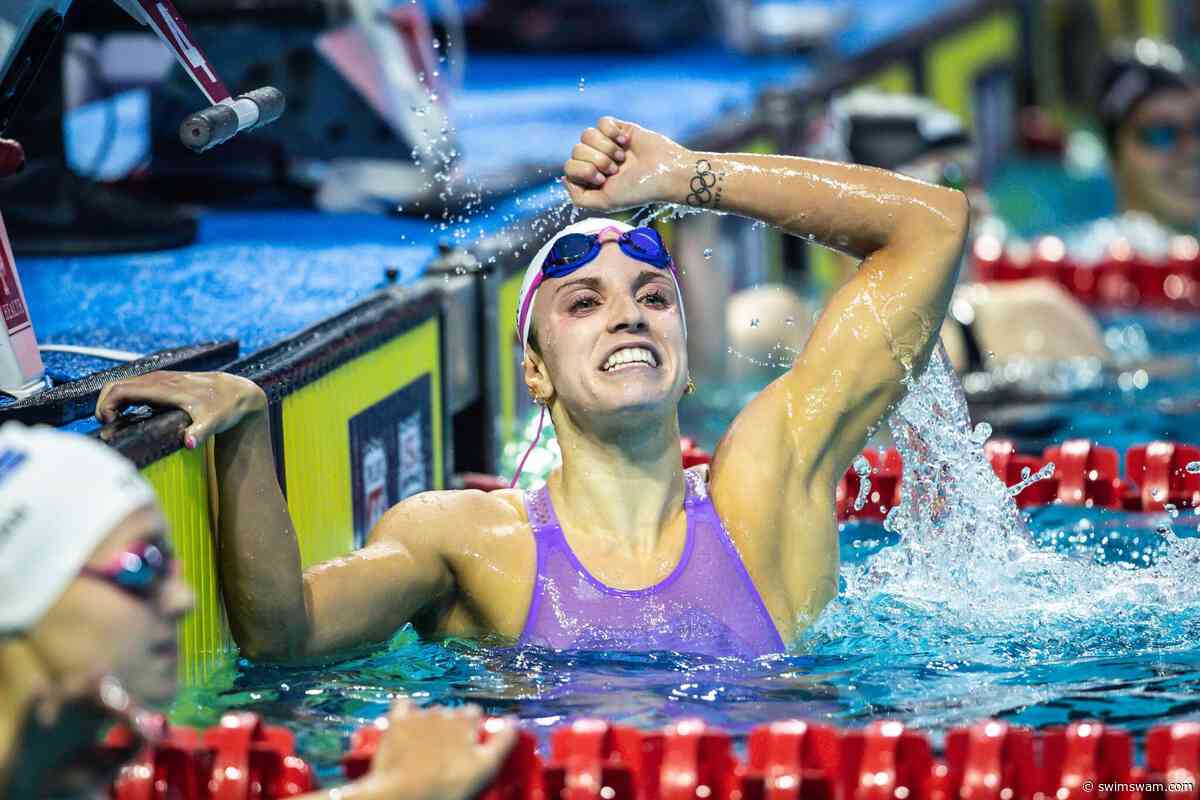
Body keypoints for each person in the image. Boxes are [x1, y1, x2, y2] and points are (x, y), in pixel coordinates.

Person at [97, 114, 968, 659]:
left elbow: (930, 225)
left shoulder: (767, 492)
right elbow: (287, 637)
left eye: (654, 297)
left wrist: (680, 174)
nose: (629, 316)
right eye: (584, 303)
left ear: (688, 356)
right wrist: (246, 432)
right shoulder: (468, 541)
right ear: (535, 371)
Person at [0, 422, 516, 799]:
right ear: (22, 595)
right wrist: (396, 792)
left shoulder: (64, 763)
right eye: (140, 569)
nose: (182, 600)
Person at [1097, 38, 1200, 233]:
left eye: (1198, 127)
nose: (1193, 148)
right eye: (1162, 134)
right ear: (1115, 155)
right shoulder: (1089, 259)